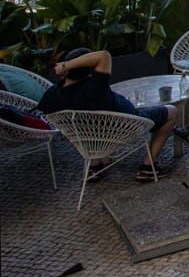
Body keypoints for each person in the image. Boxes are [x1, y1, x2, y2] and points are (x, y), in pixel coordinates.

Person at [40, 48, 178, 182]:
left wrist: (66, 67)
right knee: (171, 111)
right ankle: (148, 167)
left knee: (87, 123)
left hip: (88, 137)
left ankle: (94, 167)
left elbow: (47, 111)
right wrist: (66, 66)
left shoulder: (52, 94)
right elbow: (104, 56)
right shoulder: (95, 87)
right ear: (90, 69)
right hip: (126, 127)